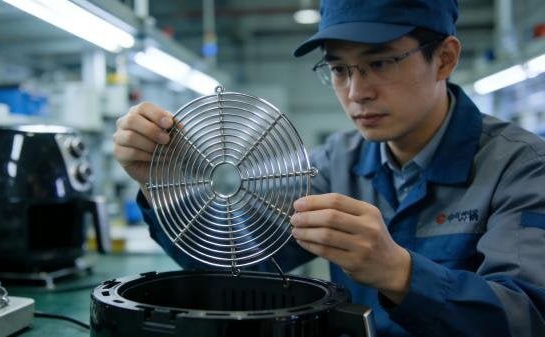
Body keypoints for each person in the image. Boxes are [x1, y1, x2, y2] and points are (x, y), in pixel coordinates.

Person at [113, 0, 545, 335]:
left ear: (445, 59)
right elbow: (238, 268)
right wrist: (160, 184)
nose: (357, 92)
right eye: (339, 69)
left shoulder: (521, 166)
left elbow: (528, 319)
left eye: (379, 63)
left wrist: (398, 271)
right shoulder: (334, 165)